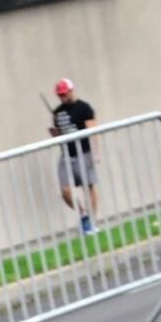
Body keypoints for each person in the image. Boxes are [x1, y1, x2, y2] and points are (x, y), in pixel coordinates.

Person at [48, 78, 99, 235]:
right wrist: (54, 133)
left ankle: (92, 221)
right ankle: (83, 213)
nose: (62, 97)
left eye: (64, 94)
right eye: (60, 95)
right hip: (66, 154)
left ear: (71, 91)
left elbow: (93, 131)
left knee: (88, 187)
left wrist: (96, 152)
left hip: (83, 152)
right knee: (65, 190)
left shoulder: (84, 108)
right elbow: (58, 134)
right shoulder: (57, 112)